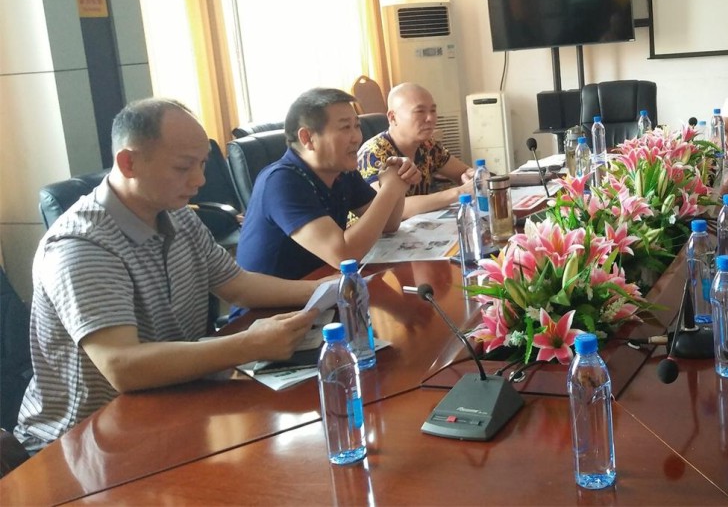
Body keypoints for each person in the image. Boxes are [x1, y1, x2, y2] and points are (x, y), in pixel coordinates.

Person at [14, 99, 326, 452]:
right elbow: (122, 366)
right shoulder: (81, 245)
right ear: (129, 163)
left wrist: (321, 289)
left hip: (170, 406)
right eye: (183, 167)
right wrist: (250, 345)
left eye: (202, 164)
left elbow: (238, 285)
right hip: (82, 442)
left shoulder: (177, 214)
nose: (200, 180)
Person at [237, 88, 418, 281]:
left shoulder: (341, 171)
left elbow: (389, 225)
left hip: (323, 284)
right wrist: (389, 189)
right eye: (345, 127)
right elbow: (344, 256)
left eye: (357, 126)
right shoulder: (281, 181)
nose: (357, 137)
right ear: (307, 138)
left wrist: (399, 181)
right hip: (276, 298)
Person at [357, 83, 475, 219]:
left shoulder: (428, 145)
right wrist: (459, 192)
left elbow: (462, 172)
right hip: (376, 232)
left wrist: (473, 177)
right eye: (420, 112)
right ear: (392, 117)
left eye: (433, 111)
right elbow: (386, 210)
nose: (430, 118)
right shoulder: (373, 153)